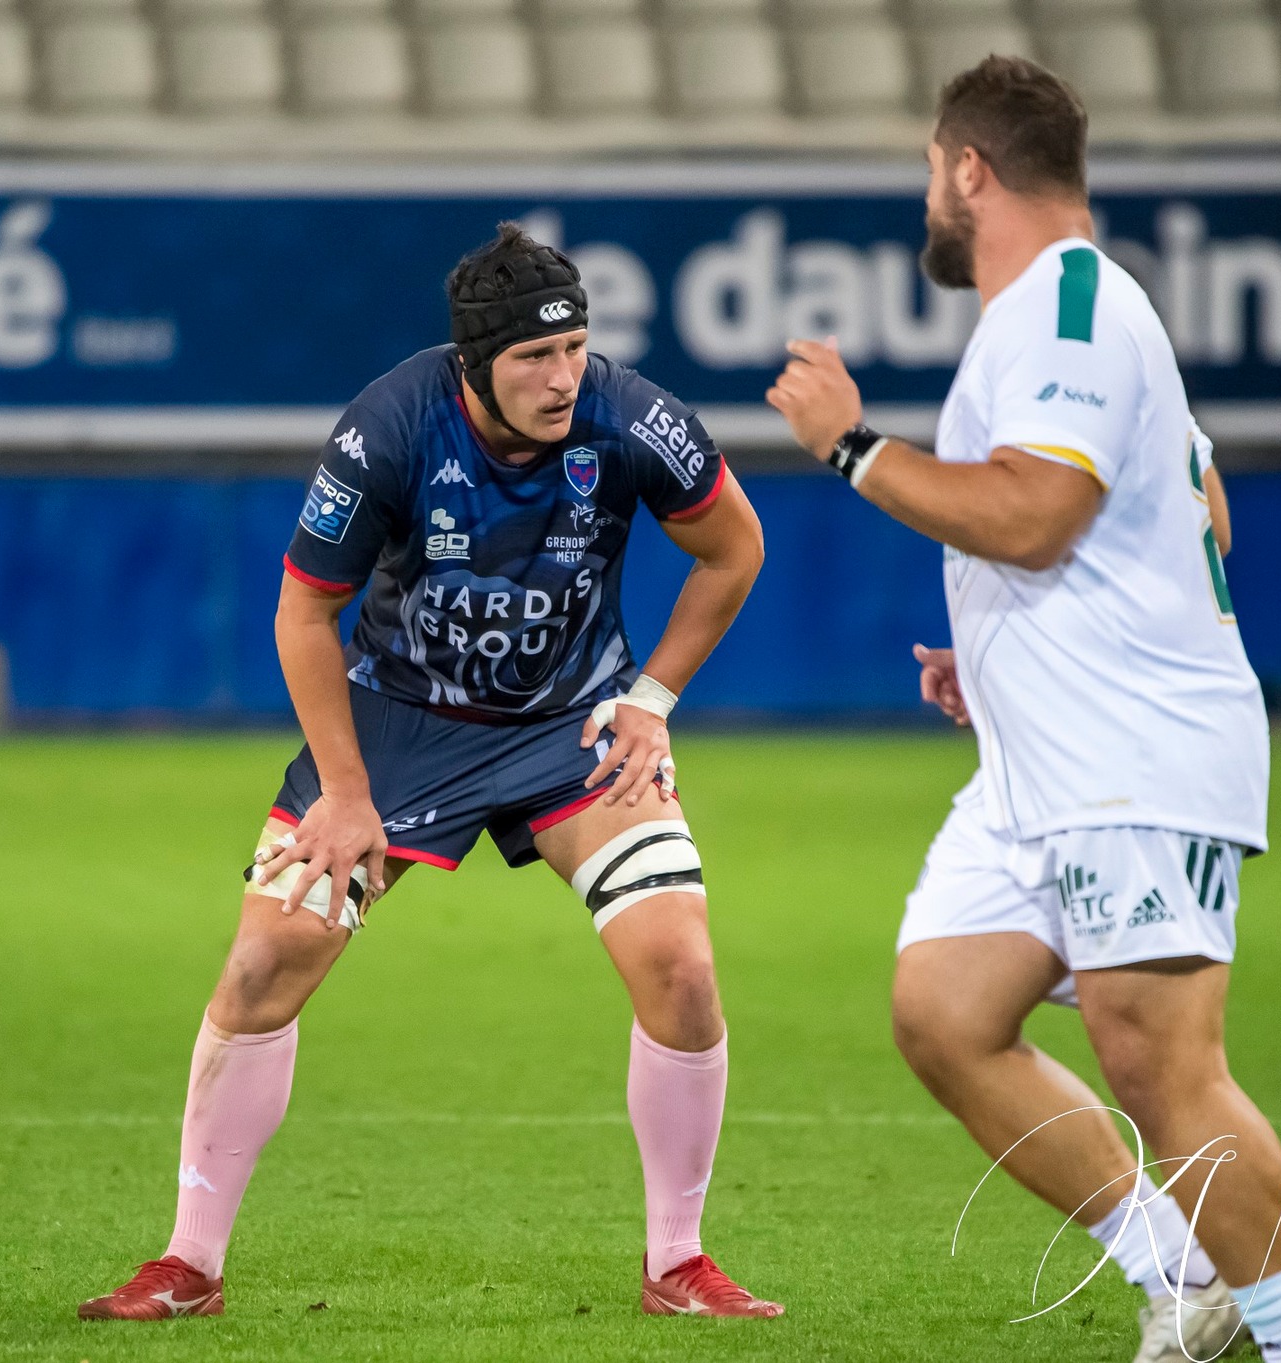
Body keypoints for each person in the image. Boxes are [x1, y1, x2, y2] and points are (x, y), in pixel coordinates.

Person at [766, 56, 1281, 1363]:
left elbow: (1039, 512)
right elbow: (1198, 501)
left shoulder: (1068, 304)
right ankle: (1181, 1268)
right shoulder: (1059, 313)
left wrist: (851, 448)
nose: (930, 191)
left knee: (1161, 1066)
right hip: (1052, 749)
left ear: (970, 168)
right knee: (946, 1007)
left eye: (933, 166)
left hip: (1130, 755)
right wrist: (1006, 655)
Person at [79, 223, 780, 1322]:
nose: (562, 379)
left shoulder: (634, 417)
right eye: (532, 360)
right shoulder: (389, 427)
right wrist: (348, 795)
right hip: (398, 725)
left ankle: (678, 1263)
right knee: (266, 959)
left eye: (575, 350)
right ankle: (189, 1263)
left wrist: (649, 700)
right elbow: (303, 611)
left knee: (680, 965)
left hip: (571, 728)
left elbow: (734, 547)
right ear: (473, 365)